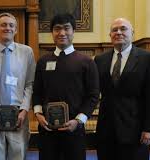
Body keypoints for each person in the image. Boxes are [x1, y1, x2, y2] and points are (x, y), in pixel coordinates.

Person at [32, 13, 100, 160]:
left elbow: (93, 96)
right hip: (47, 129)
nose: (62, 33)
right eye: (57, 29)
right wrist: (38, 114)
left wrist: (78, 120)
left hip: (74, 130)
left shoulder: (87, 62)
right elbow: (37, 91)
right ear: (52, 33)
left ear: (73, 31)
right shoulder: (43, 61)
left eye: (66, 28)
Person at [94, 18, 150, 160]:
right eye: (114, 30)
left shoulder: (149, 58)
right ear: (110, 35)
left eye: (123, 29)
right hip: (106, 131)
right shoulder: (100, 60)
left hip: (136, 131)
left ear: (132, 33)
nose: (118, 32)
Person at [0, 12, 36, 160]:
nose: (7, 28)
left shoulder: (27, 52)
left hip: (19, 115)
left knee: (18, 155)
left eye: (11, 25)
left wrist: (24, 110)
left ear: (16, 30)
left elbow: (30, 84)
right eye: (3, 25)